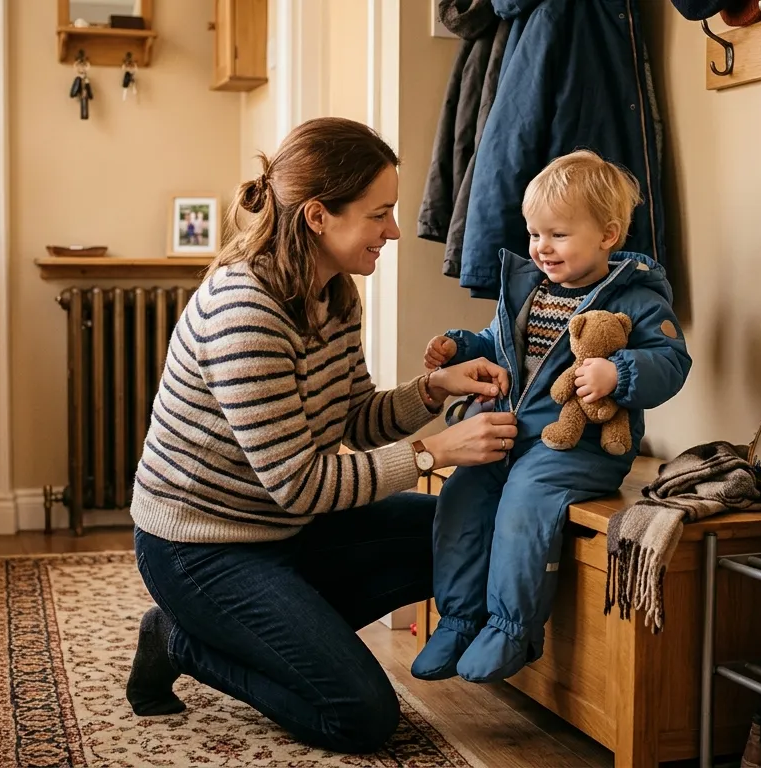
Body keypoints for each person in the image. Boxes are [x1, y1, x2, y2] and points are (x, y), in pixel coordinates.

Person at [123, 116, 521, 754]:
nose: (393, 230)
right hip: (200, 549)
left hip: (282, 532)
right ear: (317, 217)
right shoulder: (244, 312)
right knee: (359, 715)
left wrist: (436, 390)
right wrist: (430, 452)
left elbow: (353, 417)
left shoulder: (334, 294)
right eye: (379, 213)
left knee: (458, 531)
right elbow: (301, 486)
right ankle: (180, 637)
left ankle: (280, 630)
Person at [411, 149, 692, 684]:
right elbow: (501, 346)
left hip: (577, 448)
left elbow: (672, 362)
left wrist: (620, 373)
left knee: (525, 501)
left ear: (608, 235)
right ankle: (459, 617)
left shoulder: (635, 300)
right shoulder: (531, 291)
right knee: (463, 493)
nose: (541, 248)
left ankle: (512, 628)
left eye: (557, 235)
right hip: (512, 432)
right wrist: (460, 346)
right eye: (535, 234)